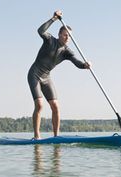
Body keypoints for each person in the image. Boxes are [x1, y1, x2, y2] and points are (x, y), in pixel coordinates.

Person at [28, 10, 91, 139]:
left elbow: (77, 63)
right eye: (65, 35)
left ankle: (56, 137)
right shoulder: (50, 40)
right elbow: (40, 31)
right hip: (34, 74)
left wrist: (85, 65)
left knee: (55, 106)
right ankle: (37, 136)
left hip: (46, 77)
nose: (67, 38)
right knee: (39, 105)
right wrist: (54, 18)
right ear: (59, 34)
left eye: (69, 37)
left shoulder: (67, 51)